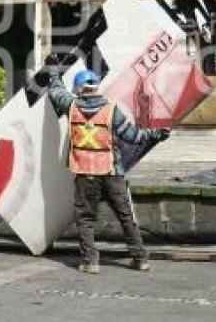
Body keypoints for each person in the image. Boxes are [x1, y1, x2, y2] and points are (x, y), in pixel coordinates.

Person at [47, 64, 170, 275]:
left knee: (86, 218)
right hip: (112, 171)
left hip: (85, 172)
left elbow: (56, 91)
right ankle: (140, 259)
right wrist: (156, 134)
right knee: (125, 216)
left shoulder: (71, 106)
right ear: (96, 87)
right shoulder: (111, 109)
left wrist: (54, 71)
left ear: (78, 88)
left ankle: (90, 262)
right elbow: (132, 136)